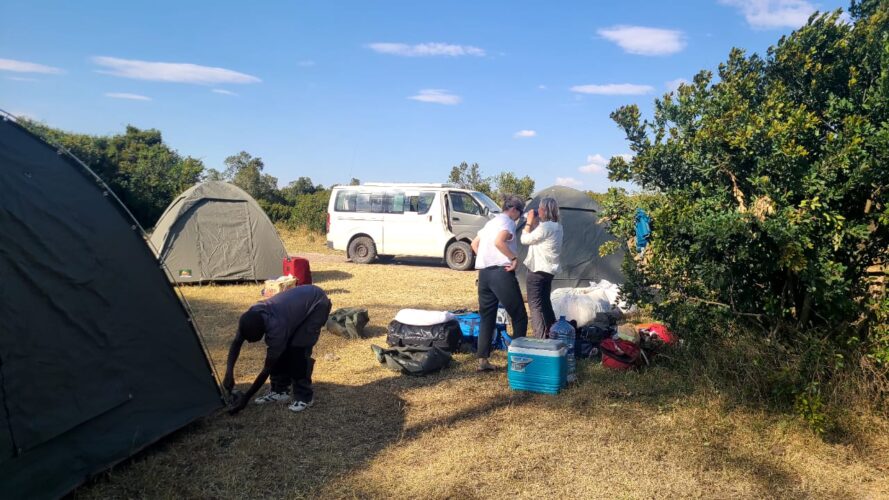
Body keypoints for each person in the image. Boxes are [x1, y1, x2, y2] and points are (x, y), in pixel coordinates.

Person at [223, 284, 332, 414]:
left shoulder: (276, 329)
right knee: (281, 351)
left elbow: (267, 368)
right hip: (297, 305)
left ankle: (304, 397)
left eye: (252, 339)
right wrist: (229, 373)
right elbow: (236, 343)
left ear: (262, 331)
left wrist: (246, 398)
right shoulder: (251, 316)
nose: (249, 342)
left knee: (298, 351)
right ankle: (279, 391)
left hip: (317, 304)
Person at [471, 195, 528, 371]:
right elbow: (499, 241)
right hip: (501, 274)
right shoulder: (508, 222)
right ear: (513, 210)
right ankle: (517, 361)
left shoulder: (490, 223)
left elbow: (474, 244)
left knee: (487, 317)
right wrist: (513, 258)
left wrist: (486, 257)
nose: (518, 217)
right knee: (519, 316)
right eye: (519, 213)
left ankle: (483, 361)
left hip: (485, 274)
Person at [521, 197, 563, 338]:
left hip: (537, 271)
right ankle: (553, 333)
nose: (537, 210)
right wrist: (535, 223)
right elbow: (537, 237)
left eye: (539, 208)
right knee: (545, 303)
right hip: (549, 271)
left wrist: (528, 222)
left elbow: (524, 239)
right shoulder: (558, 226)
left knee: (535, 306)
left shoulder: (545, 227)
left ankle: (540, 339)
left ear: (544, 210)